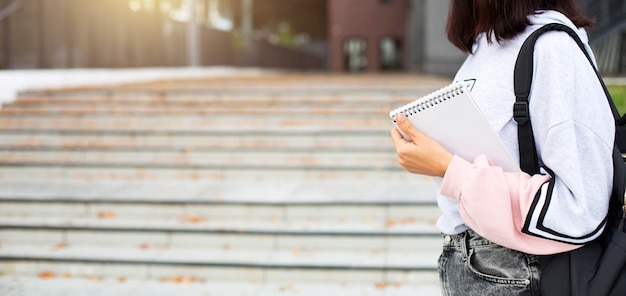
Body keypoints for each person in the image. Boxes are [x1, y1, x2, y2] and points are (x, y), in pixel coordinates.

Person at [390, 1, 614, 295]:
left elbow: (581, 206)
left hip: (522, 271)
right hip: (471, 260)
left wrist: (449, 170)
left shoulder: (552, 47)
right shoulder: (485, 44)